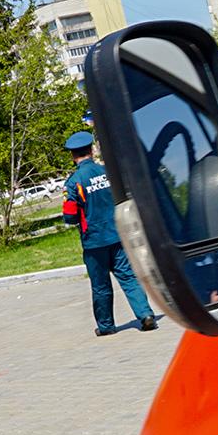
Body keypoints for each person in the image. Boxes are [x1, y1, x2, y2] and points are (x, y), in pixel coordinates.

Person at [63, 131, 157, 337]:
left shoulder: (74, 182)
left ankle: (106, 326)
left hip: (94, 242)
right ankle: (146, 315)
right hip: (118, 235)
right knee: (129, 277)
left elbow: (69, 216)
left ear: (73, 155)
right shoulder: (108, 172)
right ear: (91, 150)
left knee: (100, 285)